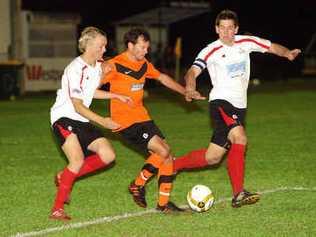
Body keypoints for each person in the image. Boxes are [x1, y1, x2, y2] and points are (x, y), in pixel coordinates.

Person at [174, 9, 301, 208]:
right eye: (222, 28)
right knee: (240, 138)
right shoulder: (210, 50)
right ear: (216, 29)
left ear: (236, 29)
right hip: (221, 102)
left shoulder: (246, 42)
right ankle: (238, 193)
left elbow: (270, 46)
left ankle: (172, 165)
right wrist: (190, 88)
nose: (226, 32)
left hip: (240, 106)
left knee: (213, 157)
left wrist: (287, 53)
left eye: (230, 28)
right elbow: (192, 71)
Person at [101, 28, 204, 213]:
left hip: (142, 117)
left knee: (167, 156)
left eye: (147, 48)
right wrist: (108, 103)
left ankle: (163, 205)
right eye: (142, 47)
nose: (146, 51)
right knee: (163, 151)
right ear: (130, 45)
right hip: (125, 122)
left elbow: (163, 78)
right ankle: (137, 184)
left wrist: (185, 91)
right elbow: (92, 88)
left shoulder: (143, 64)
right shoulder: (114, 65)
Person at [49, 26, 131, 220]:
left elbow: (90, 92)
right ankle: (57, 209)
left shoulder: (95, 66)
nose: (104, 50)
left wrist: (116, 95)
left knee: (108, 155)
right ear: (89, 46)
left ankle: (64, 176)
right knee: (76, 160)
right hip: (64, 117)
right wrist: (103, 121)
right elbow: (77, 105)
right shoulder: (75, 69)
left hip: (81, 118)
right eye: (101, 46)